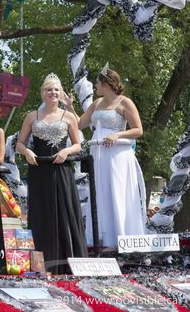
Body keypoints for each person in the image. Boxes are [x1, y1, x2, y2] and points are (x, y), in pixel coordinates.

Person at [66, 64, 146, 248]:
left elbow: (138, 130)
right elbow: (79, 124)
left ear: (106, 83)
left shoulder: (124, 102)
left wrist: (117, 134)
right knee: (100, 193)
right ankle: (102, 238)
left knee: (117, 191)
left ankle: (121, 238)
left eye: (97, 83)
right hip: (98, 154)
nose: (95, 86)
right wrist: (70, 108)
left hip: (118, 154)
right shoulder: (96, 104)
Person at [16, 73, 87, 274]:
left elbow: (78, 145)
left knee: (64, 213)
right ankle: (41, 265)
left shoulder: (69, 116)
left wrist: (65, 151)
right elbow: (20, 143)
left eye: (56, 89)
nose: (53, 93)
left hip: (61, 170)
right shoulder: (32, 116)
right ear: (42, 93)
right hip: (38, 171)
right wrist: (27, 151)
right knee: (40, 213)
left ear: (61, 93)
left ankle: (67, 264)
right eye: (49, 89)